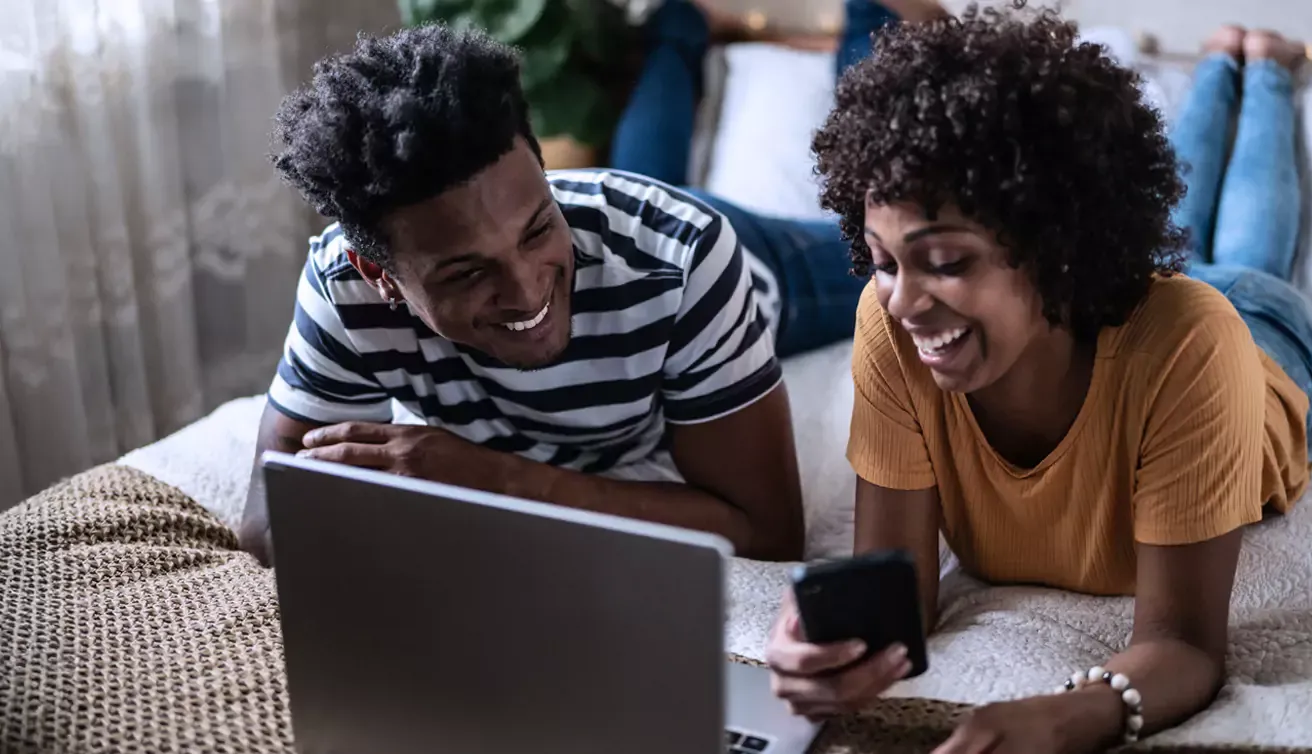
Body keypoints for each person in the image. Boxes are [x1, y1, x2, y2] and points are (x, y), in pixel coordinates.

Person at [762, 9, 1312, 754]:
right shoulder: (895, 320)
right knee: (1187, 236)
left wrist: (1063, 715)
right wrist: (826, 637)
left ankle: (1261, 73)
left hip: (1260, 332)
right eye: (884, 260)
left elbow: (1187, 646)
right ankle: (1223, 66)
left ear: (1056, 252)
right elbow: (899, 588)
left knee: (1250, 248)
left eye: (945, 263)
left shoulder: (1194, 341)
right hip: (1118, 302)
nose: (902, 299)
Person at [237, 1, 917, 566]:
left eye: (538, 227)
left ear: (544, 175)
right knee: (647, 167)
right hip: (617, 236)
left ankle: (871, 13)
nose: (527, 289)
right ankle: (681, 20)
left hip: (756, 269)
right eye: (468, 272)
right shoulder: (343, 291)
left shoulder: (683, 260)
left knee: (877, 214)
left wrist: (495, 481)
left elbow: (765, 535)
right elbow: (270, 522)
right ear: (378, 276)